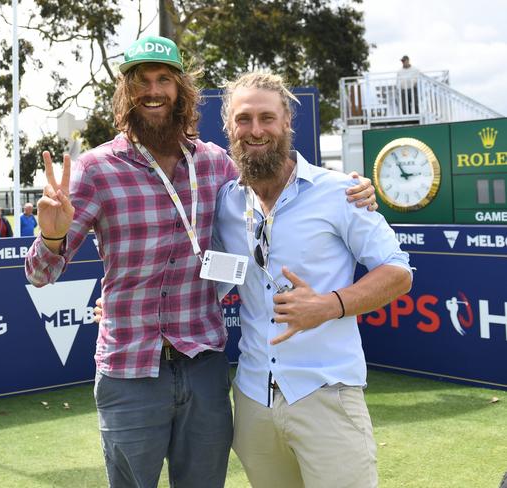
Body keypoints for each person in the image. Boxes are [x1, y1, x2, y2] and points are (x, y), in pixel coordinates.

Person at [25, 35, 376, 488]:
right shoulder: (95, 170)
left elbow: (275, 185)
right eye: (142, 81)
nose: (154, 90)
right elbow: (39, 274)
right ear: (127, 93)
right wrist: (51, 234)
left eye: (164, 80)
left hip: (204, 365)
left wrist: (352, 187)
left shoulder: (216, 165)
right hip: (131, 369)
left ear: (181, 90)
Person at [212, 72, 413, 488]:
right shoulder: (226, 202)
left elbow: (397, 272)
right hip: (253, 398)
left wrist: (329, 305)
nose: (255, 130)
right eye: (243, 119)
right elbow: (209, 275)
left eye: (266, 117)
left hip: (326, 392)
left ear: (287, 121)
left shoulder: (340, 191)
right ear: (230, 126)